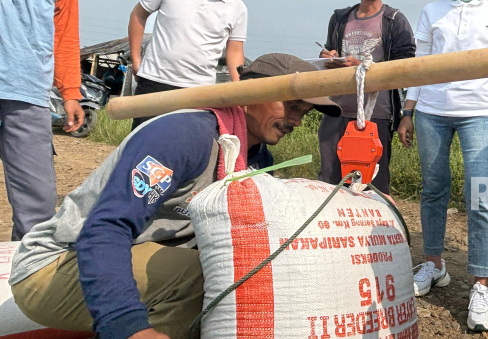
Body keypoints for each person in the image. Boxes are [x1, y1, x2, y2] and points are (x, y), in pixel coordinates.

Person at [10, 54, 342, 339]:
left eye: (304, 111)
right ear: (249, 93)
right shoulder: (185, 136)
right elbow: (106, 229)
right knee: (205, 278)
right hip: (59, 264)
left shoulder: (253, 160)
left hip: (133, 257)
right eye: (291, 105)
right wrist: (128, 326)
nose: (297, 120)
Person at [397, 0, 488, 332]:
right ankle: (434, 265)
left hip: (479, 111)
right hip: (432, 110)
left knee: (480, 194)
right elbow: (419, 65)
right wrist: (408, 112)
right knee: (433, 188)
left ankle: (481, 284)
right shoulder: (432, 10)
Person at [0, 0, 84, 240]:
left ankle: (28, 284)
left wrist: (70, 92)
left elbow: (65, 37)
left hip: (28, 92)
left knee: (38, 200)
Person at [318, 0, 415, 194]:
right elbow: (331, 51)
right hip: (336, 110)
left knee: (371, 184)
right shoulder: (340, 18)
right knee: (330, 181)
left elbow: (405, 68)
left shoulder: (395, 20)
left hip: (376, 114)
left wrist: (361, 65)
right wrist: (327, 57)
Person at [128, 0, 248, 129]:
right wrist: (136, 59)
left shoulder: (237, 7)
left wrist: (239, 90)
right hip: (156, 81)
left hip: (199, 90)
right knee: (144, 144)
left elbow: (235, 52)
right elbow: (138, 15)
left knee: (185, 147)